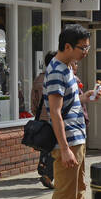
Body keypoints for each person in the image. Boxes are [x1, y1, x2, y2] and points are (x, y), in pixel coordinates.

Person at [46, 25, 101, 199]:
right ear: (67, 46)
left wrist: (84, 97)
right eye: (83, 47)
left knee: (78, 190)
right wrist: (65, 148)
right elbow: (55, 112)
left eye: (87, 47)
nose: (86, 52)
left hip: (77, 139)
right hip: (68, 142)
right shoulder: (57, 70)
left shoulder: (67, 68)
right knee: (64, 195)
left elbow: (68, 103)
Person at [30, 50, 56, 189]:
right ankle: (47, 173)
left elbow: (33, 100)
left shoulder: (39, 79)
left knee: (45, 143)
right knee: (53, 146)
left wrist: (36, 113)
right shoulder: (56, 77)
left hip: (42, 117)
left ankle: (42, 165)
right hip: (54, 117)